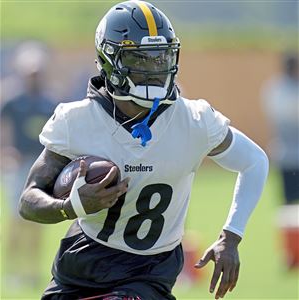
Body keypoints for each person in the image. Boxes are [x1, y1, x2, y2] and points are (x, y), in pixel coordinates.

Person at [19, 1, 268, 299]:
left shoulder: (194, 120)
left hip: (150, 270)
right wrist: (70, 207)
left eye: (160, 58)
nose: (153, 70)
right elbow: (28, 201)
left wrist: (231, 236)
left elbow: (254, 161)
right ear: (110, 61)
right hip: (83, 261)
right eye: (140, 60)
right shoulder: (77, 120)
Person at [0, 41, 56, 287]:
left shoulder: (48, 101)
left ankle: (30, 270)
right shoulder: (13, 100)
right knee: (16, 219)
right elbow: (4, 130)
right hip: (19, 163)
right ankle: (13, 269)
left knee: (35, 222)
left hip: (40, 166)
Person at [261, 53, 299, 268]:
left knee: (286, 207)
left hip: (284, 153)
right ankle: (291, 253)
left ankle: (289, 254)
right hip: (291, 155)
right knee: (288, 208)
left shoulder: (273, 89)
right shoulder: (285, 90)